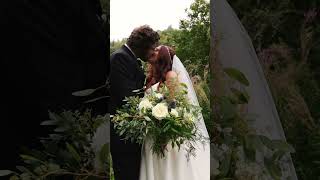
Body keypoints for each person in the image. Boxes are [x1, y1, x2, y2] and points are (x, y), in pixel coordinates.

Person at [139, 45, 210, 180]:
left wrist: (164, 131)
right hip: (151, 133)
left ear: (164, 56)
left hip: (165, 132)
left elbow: (173, 105)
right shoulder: (151, 77)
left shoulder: (170, 75)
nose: (153, 51)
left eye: (157, 50)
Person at [109, 25, 160, 180]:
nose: (153, 52)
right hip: (123, 137)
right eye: (152, 48)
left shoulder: (129, 58)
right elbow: (128, 98)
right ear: (143, 46)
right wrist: (157, 102)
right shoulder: (120, 58)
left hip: (132, 135)